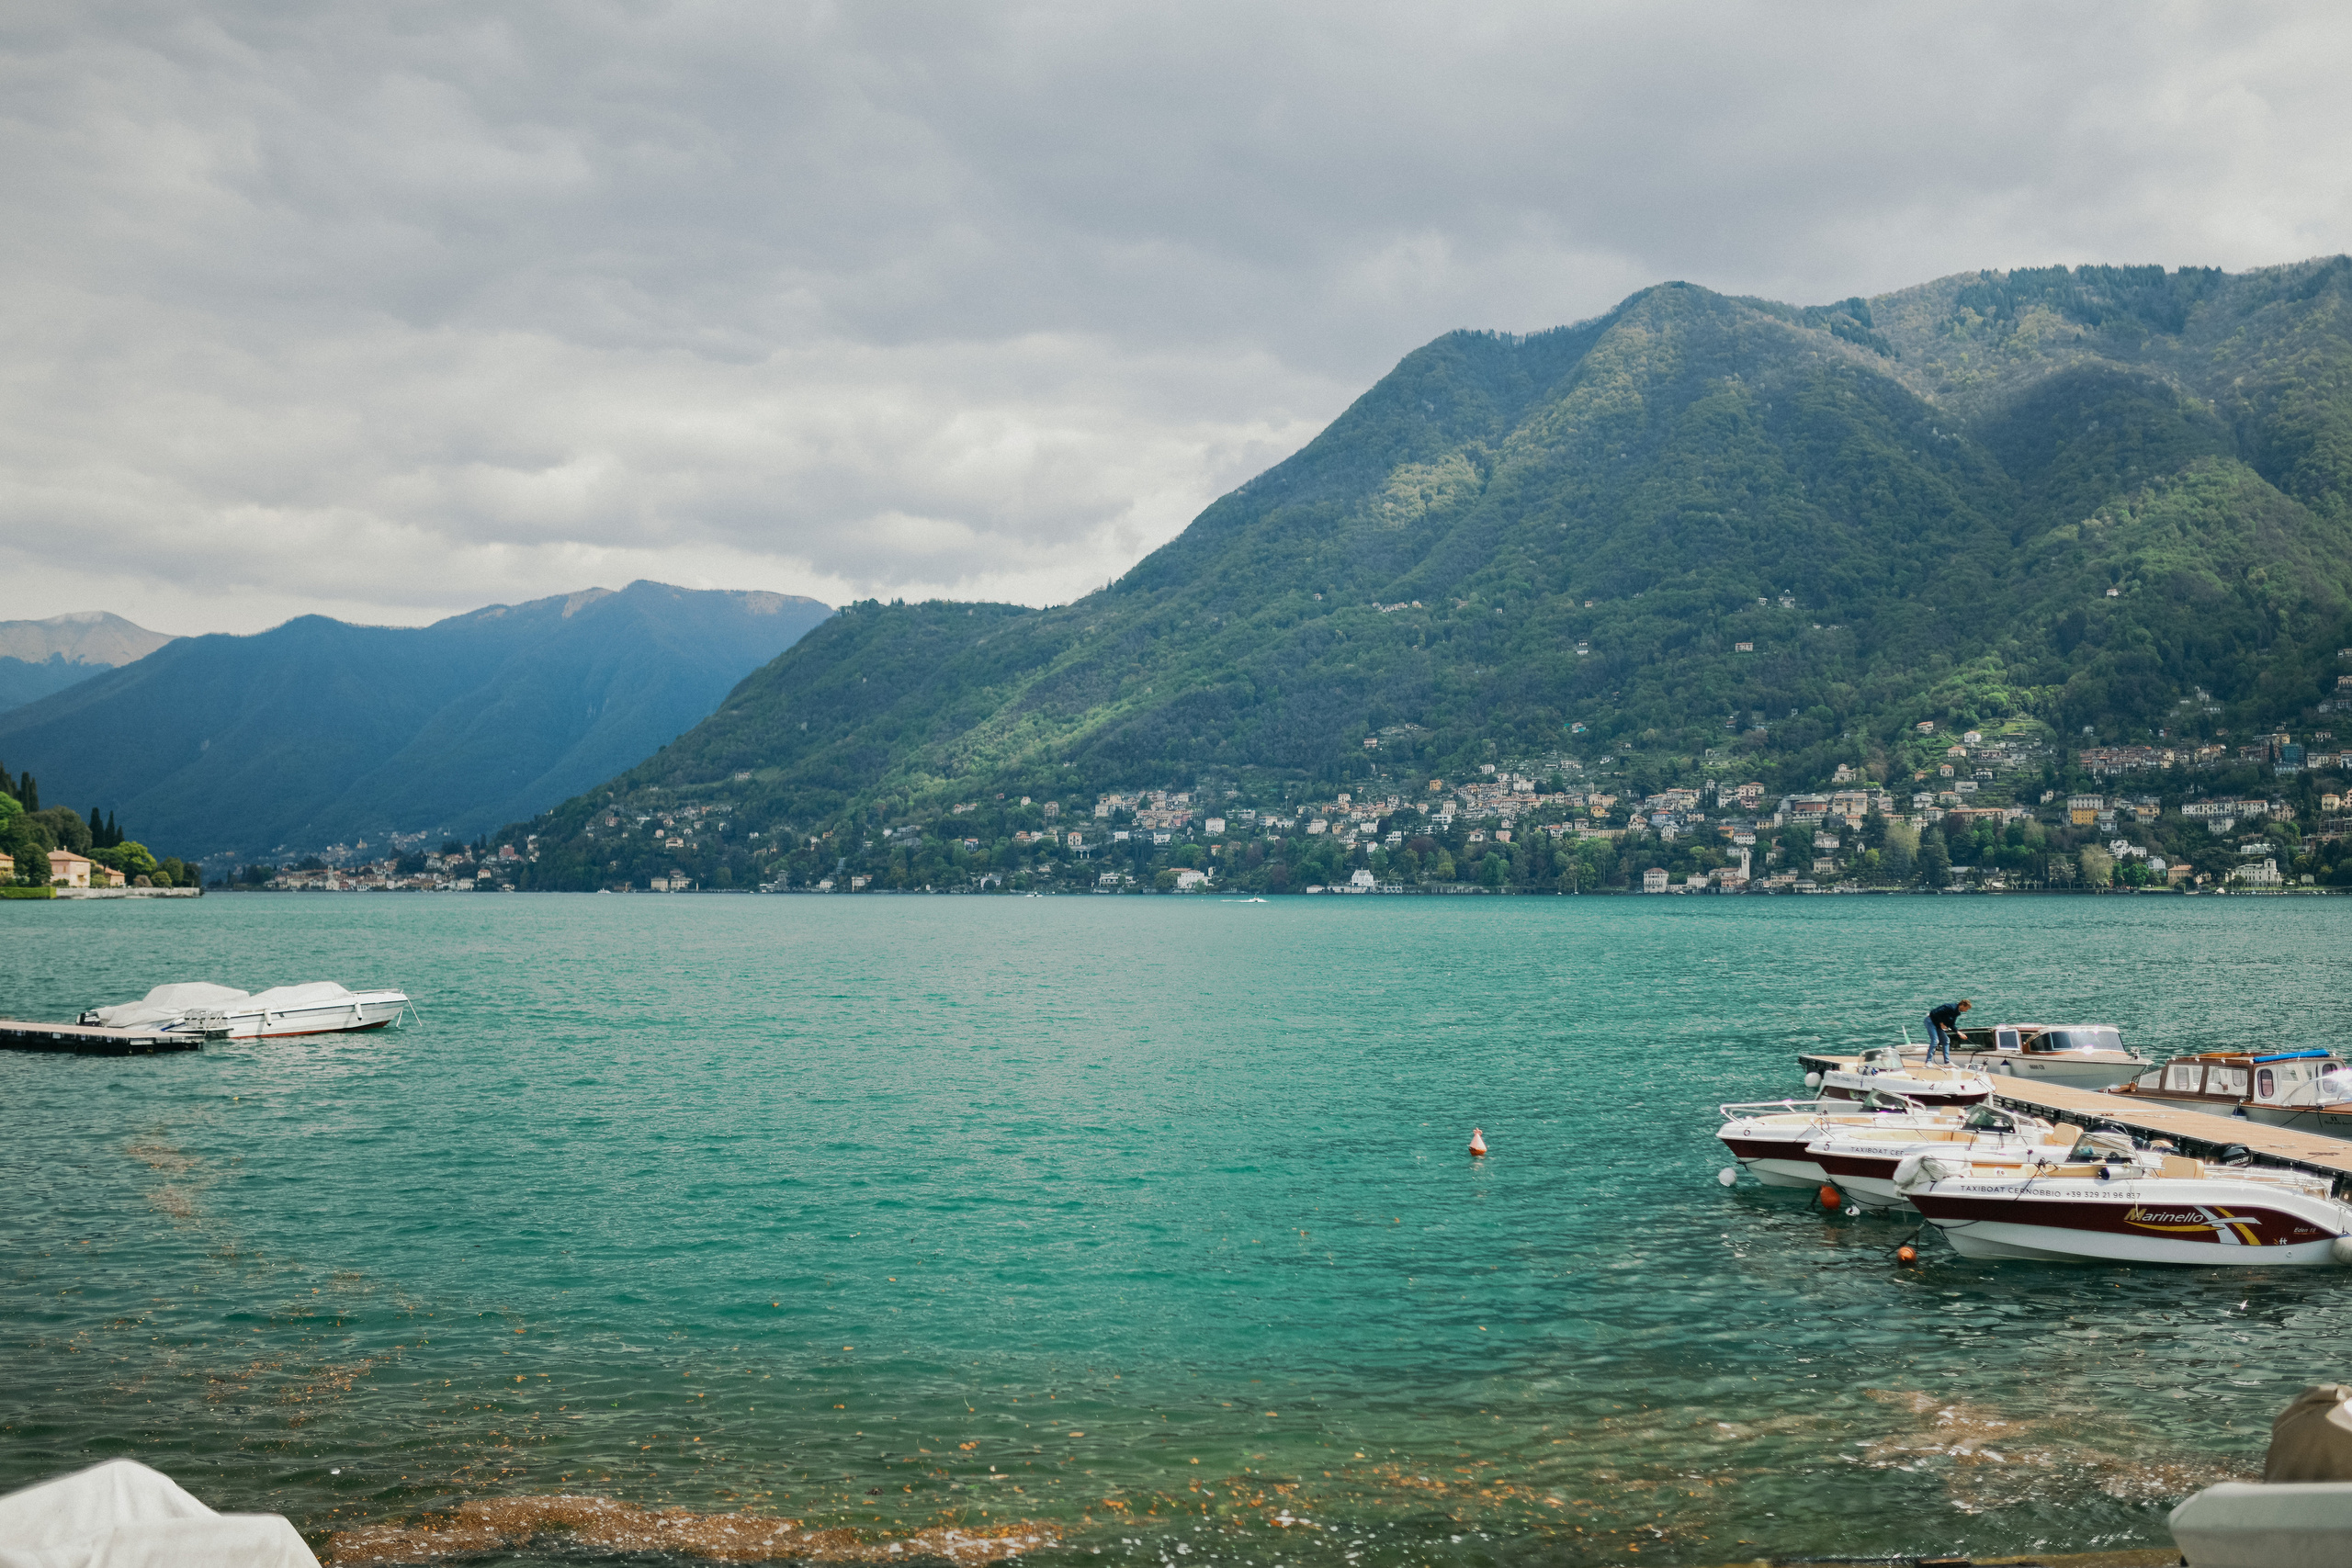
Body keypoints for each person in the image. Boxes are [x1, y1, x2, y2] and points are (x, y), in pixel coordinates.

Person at [1925, 998, 1973, 1064]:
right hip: (1930, 1021)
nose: (1966, 1011)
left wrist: (1959, 1033)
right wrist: (1941, 1023)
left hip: (1937, 1024)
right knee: (1935, 1041)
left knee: (1946, 1040)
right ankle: (1928, 1061)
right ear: (1962, 1005)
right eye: (1966, 1008)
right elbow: (1933, 1013)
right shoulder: (1949, 1007)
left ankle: (1947, 1062)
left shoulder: (1957, 1012)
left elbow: (1951, 1024)